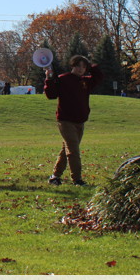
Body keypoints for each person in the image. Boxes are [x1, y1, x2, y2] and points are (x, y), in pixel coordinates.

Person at [44, 54, 101, 186]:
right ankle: (77, 179)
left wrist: (90, 65)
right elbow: (51, 94)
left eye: (83, 67)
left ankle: (55, 176)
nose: (81, 69)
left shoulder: (86, 81)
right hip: (65, 121)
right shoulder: (63, 79)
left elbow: (99, 76)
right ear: (72, 66)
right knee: (73, 151)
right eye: (78, 66)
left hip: (80, 121)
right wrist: (48, 78)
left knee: (67, 150)